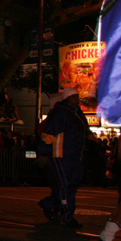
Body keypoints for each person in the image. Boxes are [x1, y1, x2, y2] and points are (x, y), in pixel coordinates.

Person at [37, 87, 89, 228]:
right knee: (66, 186)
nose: (76, 100)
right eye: (73, 97)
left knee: (69, 186)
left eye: (77, 97)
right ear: (67, 99)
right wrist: (43, 152)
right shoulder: (61, 113)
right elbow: (48, 134)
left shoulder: (77, 113)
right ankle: (67, 217)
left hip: (74, 156)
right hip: (61, 155)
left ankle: (49, 204)